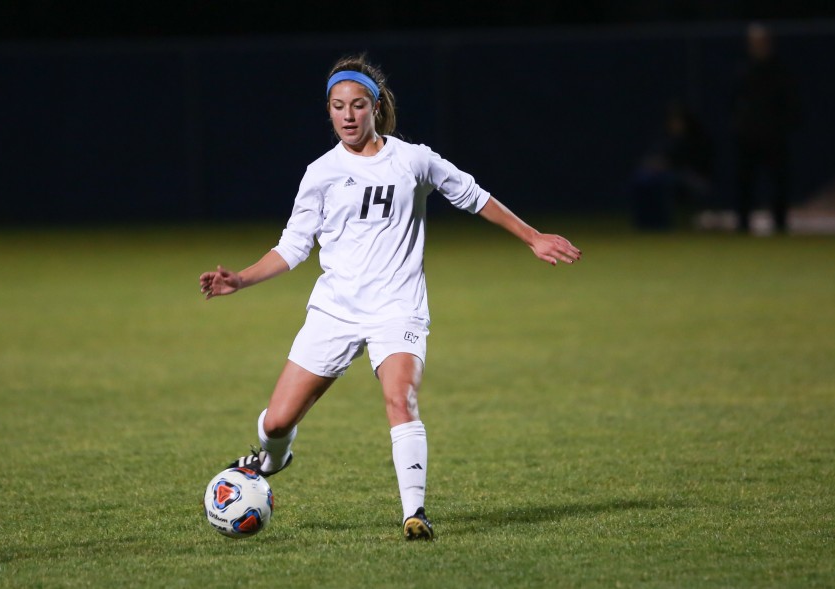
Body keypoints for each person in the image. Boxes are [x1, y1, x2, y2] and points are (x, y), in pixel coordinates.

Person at [198, 54, 582, 541]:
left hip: (397, 308)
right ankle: (272, 459)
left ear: (376, 108)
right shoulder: (320, 173)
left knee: (400, 398)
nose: (348, 116)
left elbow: (473, 194)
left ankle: (414, 512)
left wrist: (531, 237)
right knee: (277, 422)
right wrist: (241, 280)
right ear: (329, 111)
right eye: (338, 106)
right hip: (335, 310)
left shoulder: (413, 160)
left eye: (358, 105)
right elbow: (294, 246)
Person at [732, 22, 800, 234]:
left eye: (761, 42)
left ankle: (780, 224)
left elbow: (791, 104)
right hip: (747, 136)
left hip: (773, 137)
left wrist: (783, 126)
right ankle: (743, 225)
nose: (757, 46)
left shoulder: (780, 71)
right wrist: (739, 125)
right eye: (753, 42)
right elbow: (732, 102)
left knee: (779, 182)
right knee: (745, 183)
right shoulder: (742, 71)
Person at [629, 102, 714, 230]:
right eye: (672, 121)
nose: (674, 124)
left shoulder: (697, 140)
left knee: (665, 180)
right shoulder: (665, 138)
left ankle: (663, 224)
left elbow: (692, 165)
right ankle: (645, 223)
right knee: (642, 178)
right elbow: (655, 157)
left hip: (692, 178)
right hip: (667, 176)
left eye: (678, 121)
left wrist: (668, 165)